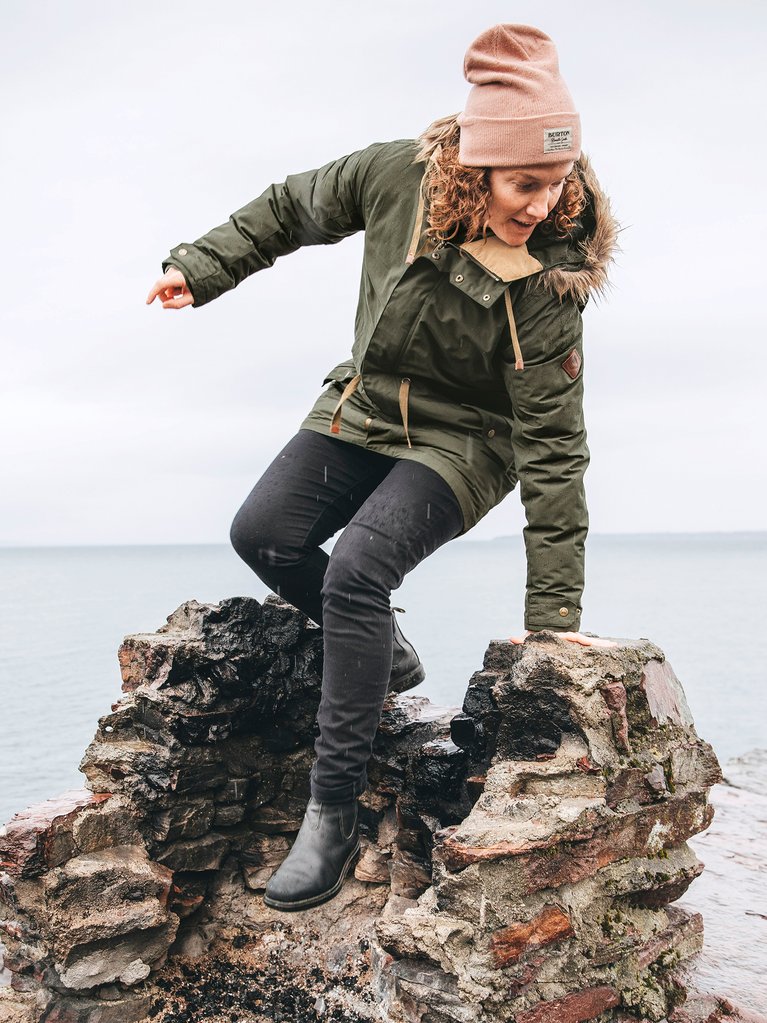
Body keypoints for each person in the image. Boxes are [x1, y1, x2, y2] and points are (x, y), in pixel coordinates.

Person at [146, 23, 620, 912]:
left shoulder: (546, 280)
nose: (543, 202)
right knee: (263, 533)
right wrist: (201, 266)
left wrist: (552, 612)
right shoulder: (393, 175)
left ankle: (330, 811)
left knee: (359, 570)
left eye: (558, 180)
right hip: (362, 405)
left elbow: (554, 447)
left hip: (468, 440)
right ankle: (383, 649)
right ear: (474, 166)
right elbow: (290, 207)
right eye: (525, 181)